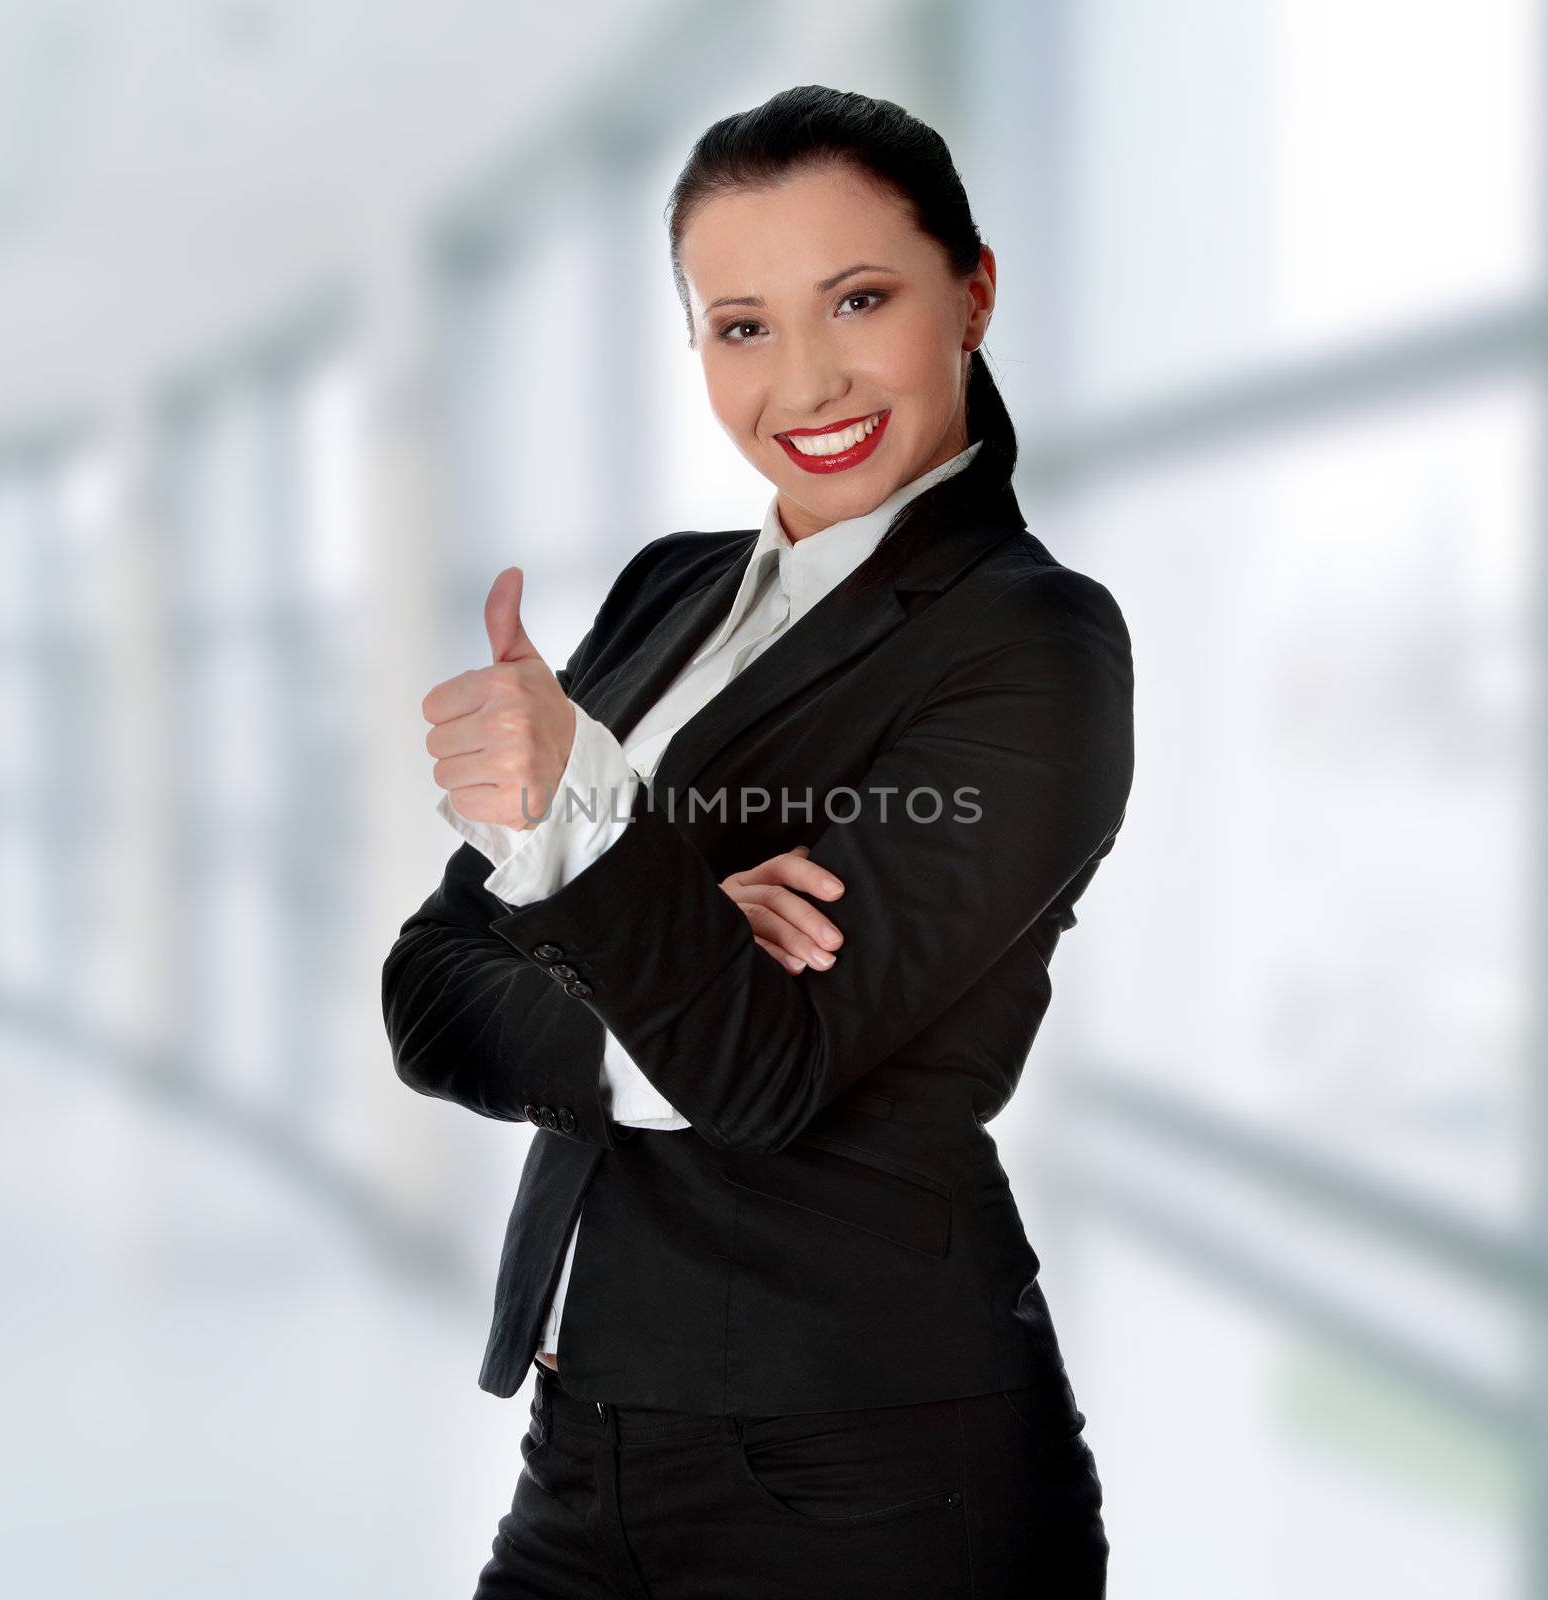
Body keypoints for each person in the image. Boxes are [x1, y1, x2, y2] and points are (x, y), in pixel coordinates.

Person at [384, 83, 1134, 1599]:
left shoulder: (1032, 645)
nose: (804, 379)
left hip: (875, 1470)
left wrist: (589, 835)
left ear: (973, 294)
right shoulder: (669, 589)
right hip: (584, 1423)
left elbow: (758, 1070)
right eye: (741, 325)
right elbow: (424, 988)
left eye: (859, 298)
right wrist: (674, 940)